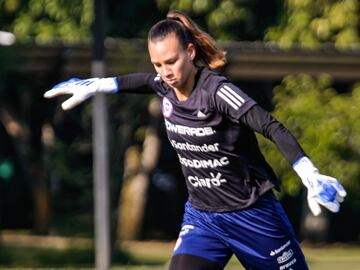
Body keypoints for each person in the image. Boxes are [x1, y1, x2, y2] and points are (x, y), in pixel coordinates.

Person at [44, 10, 347, 270]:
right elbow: (139, 81)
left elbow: (270, 126)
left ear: (190, 53)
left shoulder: (216, 91)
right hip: (203, 219)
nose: (165, 72)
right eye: (158, 64)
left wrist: (309, 173)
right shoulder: (164, 85)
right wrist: (98, 85)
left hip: (253, 216)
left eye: (171, 62)